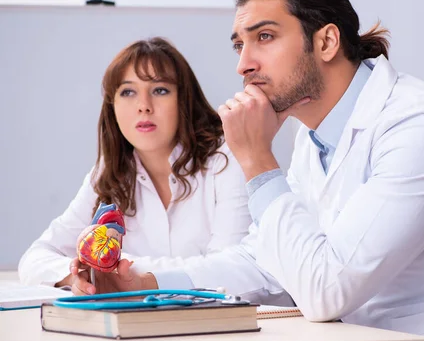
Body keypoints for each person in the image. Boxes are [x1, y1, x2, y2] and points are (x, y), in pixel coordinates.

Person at [69, 0, 424, 341]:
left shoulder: (421, 126)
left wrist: (258, 159)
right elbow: (267, 264)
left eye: (264, 37)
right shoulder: (314, 138)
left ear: (325, 41)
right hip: (382, 339)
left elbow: (327, 290)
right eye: (240, 45)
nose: (243, 65)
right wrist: (145, 280)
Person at [18, 37, 252, 294]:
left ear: (184, 99)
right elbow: (34, 259)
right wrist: (75, 277)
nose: (143, 106)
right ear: (112, 106)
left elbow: (235, 271)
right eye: (128, 92)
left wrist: (125, 272)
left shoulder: (227, 156)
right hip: (140, 327)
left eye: (160, 90)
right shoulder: (109, 172)